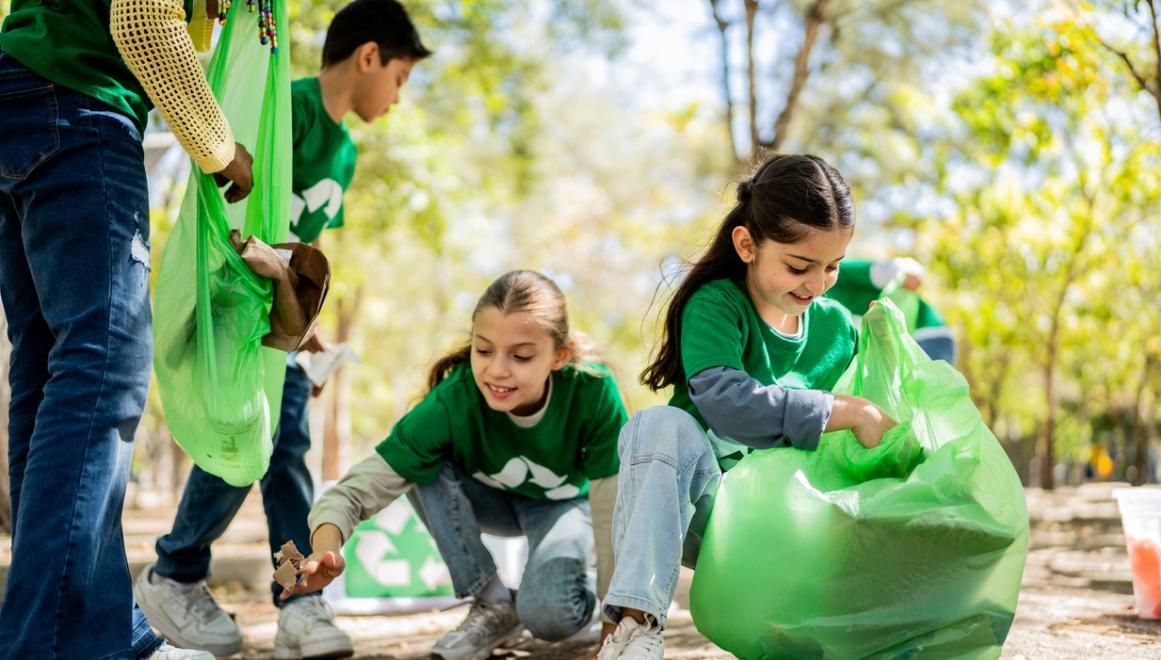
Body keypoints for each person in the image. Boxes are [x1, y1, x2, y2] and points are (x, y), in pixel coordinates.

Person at [131, 1, 431, 657]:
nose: (399, 98)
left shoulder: (345, 152)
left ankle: (299, 599)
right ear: (370, 55)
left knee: (285, 448)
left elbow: (306, 252)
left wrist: (311, 330)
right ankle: (178, 570)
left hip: (281, 321)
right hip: (241, 305)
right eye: (402, 79)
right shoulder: (285, 105)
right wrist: (259, 263)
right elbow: (243, 198)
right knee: (258, 438)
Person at [0, 0, 257, 656]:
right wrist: (221, 150)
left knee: (49, 371)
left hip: (20, 93)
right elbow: (142, 23)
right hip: (77, 106)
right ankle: (53, 643)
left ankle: (100, 631)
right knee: (102, 364)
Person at [595, 154, 898, 659]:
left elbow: (876, 427)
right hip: (704, 512)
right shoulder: (716, 305)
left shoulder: (837, 330)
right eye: (799, 266)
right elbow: (726, 404)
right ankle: (635, 627)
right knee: (659, 426)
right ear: (747, 245)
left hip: (784, 526)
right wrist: (840, 410)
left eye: (832, 267)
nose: (817, 283)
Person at [285, 270, 627, 660]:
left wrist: (615, 617)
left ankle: (568, 583)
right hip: (489, 503)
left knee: (550, 617)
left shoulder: (592, 390)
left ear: (559, 355)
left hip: (564, 508)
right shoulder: (452, 400)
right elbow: (353, 491)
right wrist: (325, 551)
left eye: (521, 356)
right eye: (483, 350)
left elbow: (612, 508)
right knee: (417, 465)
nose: (497, 370)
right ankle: (493, 603)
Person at [824, 257, 957, 365]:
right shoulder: (817, 301)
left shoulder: (838, 271)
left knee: (918, 396)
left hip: (926, 334)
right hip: (907, 340)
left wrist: (909, 274)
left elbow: (890, 269)